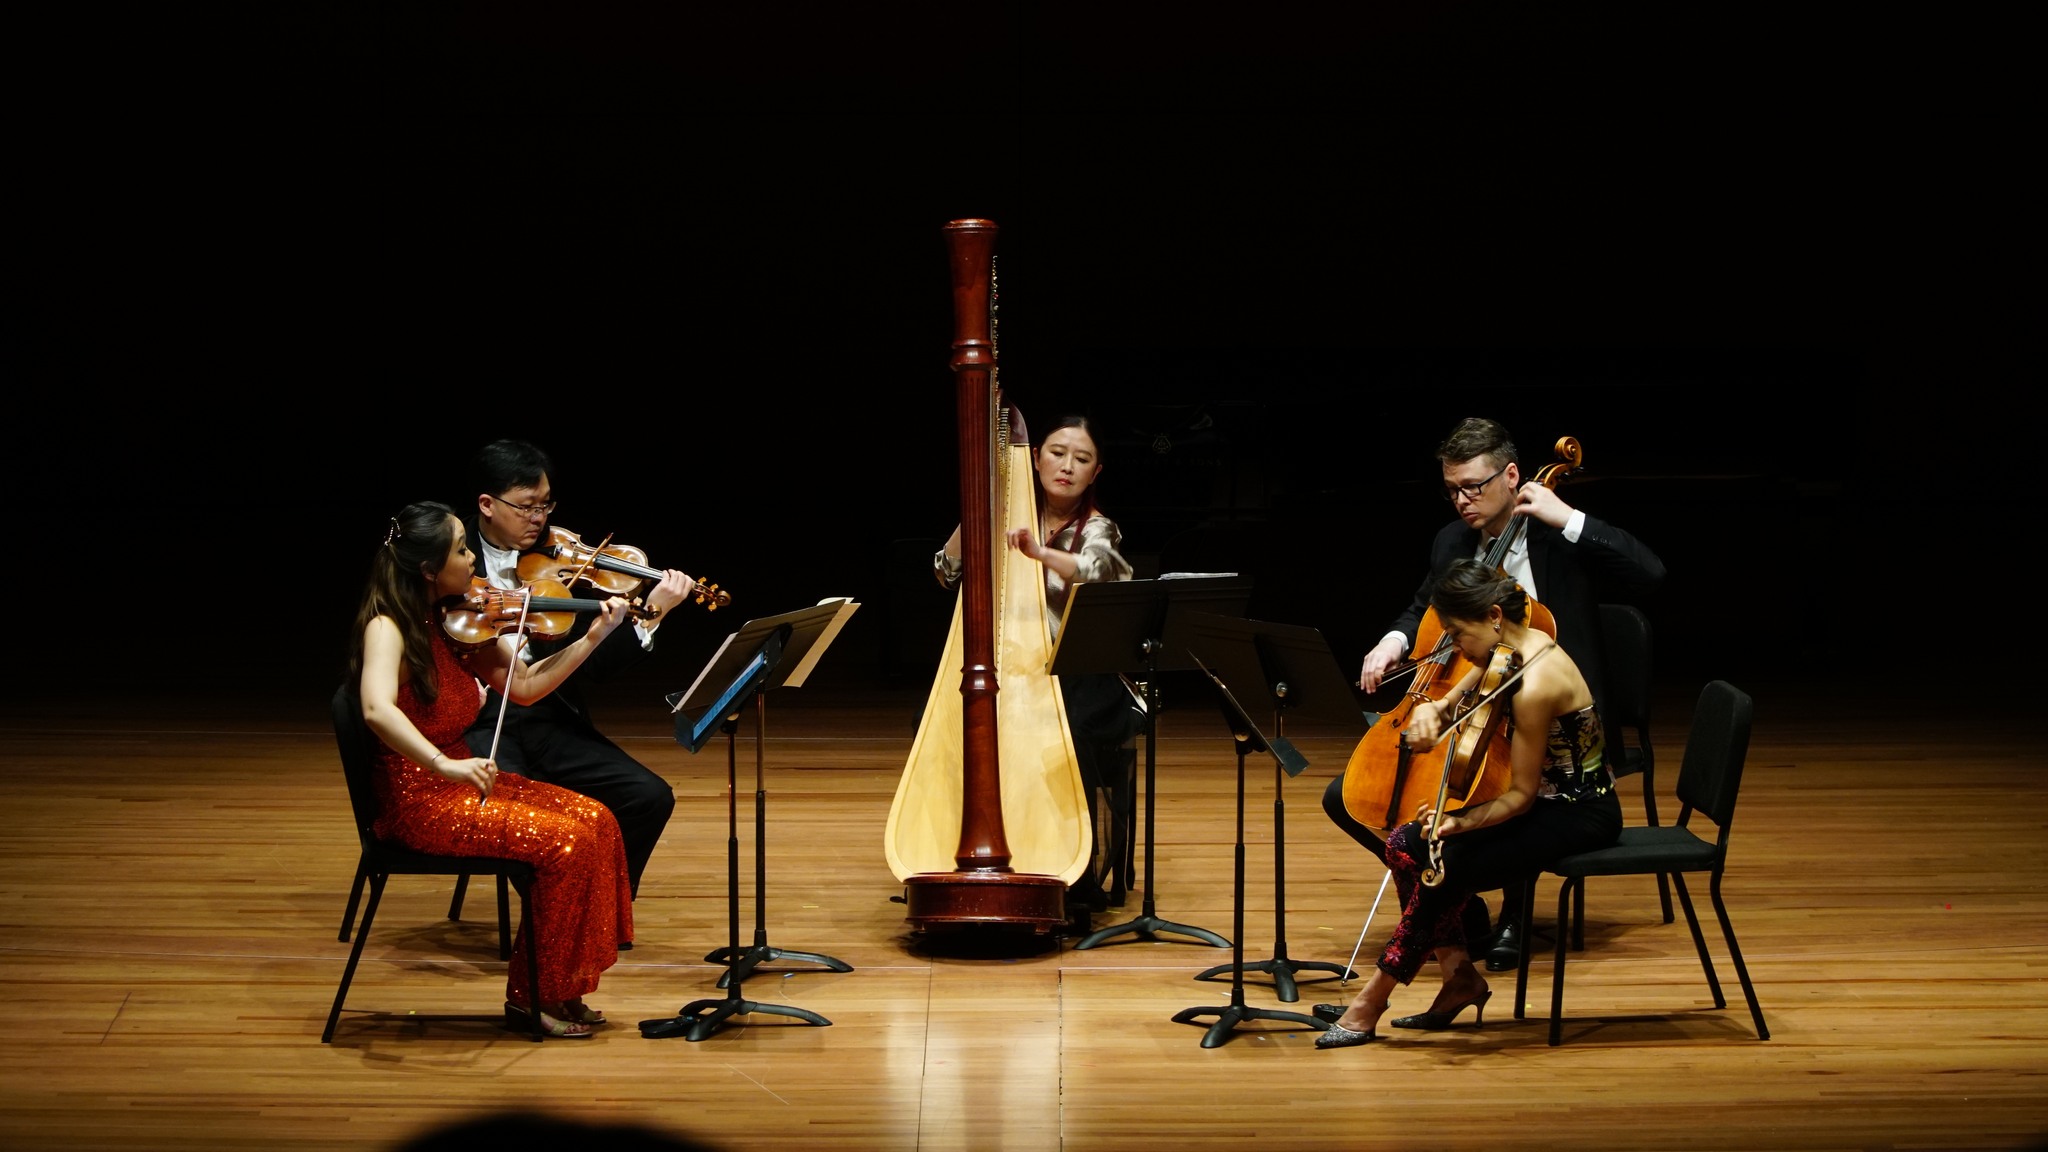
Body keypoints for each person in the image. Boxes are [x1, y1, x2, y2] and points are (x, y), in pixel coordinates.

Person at [1324, 416, 1664, 970]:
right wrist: (1393, 641)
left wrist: (1572, 519)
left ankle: (1516, 913)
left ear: (1512, 476)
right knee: (1347, 798)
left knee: (1496, 788)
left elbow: (1650, 574)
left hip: (1549, 720)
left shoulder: (1559, 537)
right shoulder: (1452, 541)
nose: (1461, 501)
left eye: (1473, 487)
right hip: (1468, 699)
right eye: (1452, 489)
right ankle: (1460, 905)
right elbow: (1425, 609)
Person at [348, 501, 634, 1038]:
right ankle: (534, 997)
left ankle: (563, 985)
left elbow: (523, 687)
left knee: (597, 819)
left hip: (462, 780)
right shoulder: (389, 628)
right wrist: (442, 766)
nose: (473, 561)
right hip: (420, 801)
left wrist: (592, 637)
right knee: (564, 843)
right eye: (461, 550)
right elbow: (374, 708)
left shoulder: (457, 621)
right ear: (429, 570)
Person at [1314, 559, 1623, 1048]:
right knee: (1405, 844)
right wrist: (1438, 706)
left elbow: (1521, 798)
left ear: (1494, 615)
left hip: (1577, 811)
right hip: (1543, 802)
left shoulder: (1537, 684)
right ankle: (1459, 977)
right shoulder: (1509, 648)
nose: (1454, 646)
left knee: (1445, 862)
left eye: (1457, 634)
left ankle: (1371, 1001)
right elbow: (1484, 667)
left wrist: (1457, 822)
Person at [463, 439, 695, 905]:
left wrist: (651, 614)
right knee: (526, 816)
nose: (539, 519)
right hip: (480, 723)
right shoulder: (453, 555)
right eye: (526, 507)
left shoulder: (563, 564)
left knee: (649, 796)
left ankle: (603, 912)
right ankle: (554, 920)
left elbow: (598, 669)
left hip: (548, 715)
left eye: (546, 505)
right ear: (487, 505)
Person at [934, 414, 1144, 919]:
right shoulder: (1005, 512)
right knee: (958, 721)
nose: (1067, 466)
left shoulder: (1098, 527)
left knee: (1068, 729)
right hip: (1015, 668)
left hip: (1083, 674)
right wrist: (976, 507)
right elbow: (946, 572)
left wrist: (1039, 552)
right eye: (1056, 452)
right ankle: (981, 846)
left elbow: (1099, 571)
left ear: (1096, 473)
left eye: (1081, 458)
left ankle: (1076, 873)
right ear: (1033, 457)